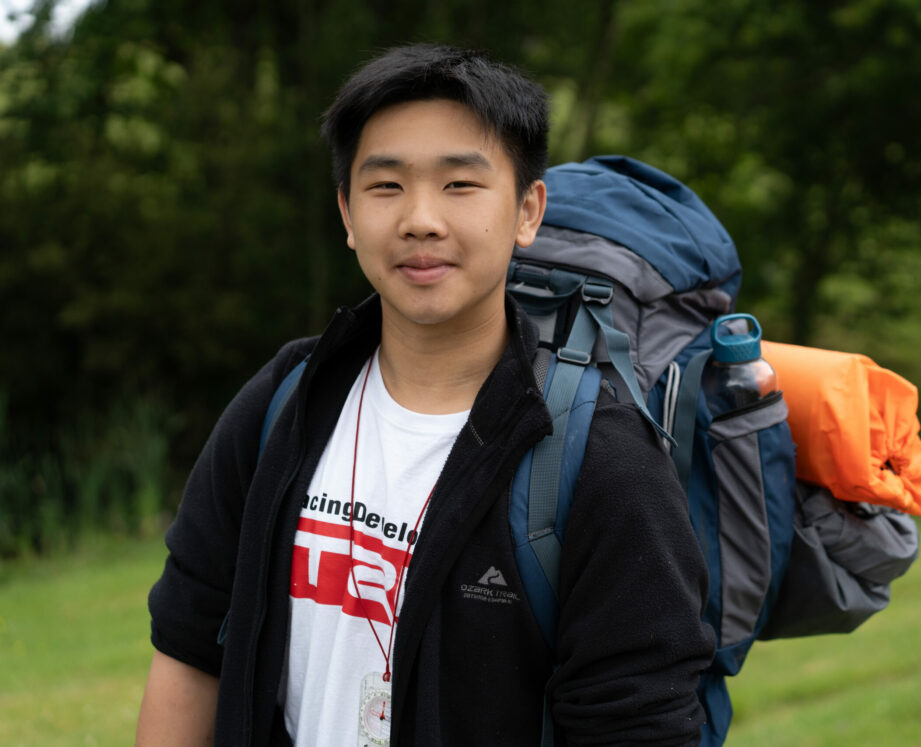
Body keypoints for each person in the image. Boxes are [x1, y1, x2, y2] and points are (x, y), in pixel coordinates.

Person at [136, 43, 715, 746]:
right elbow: (191, 645)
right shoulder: (286, 400)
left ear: (527, 211)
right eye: (386, 186)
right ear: (347, 213)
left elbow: (639, 725)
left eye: (460, 185)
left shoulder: (601, 459)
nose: (420, 220)